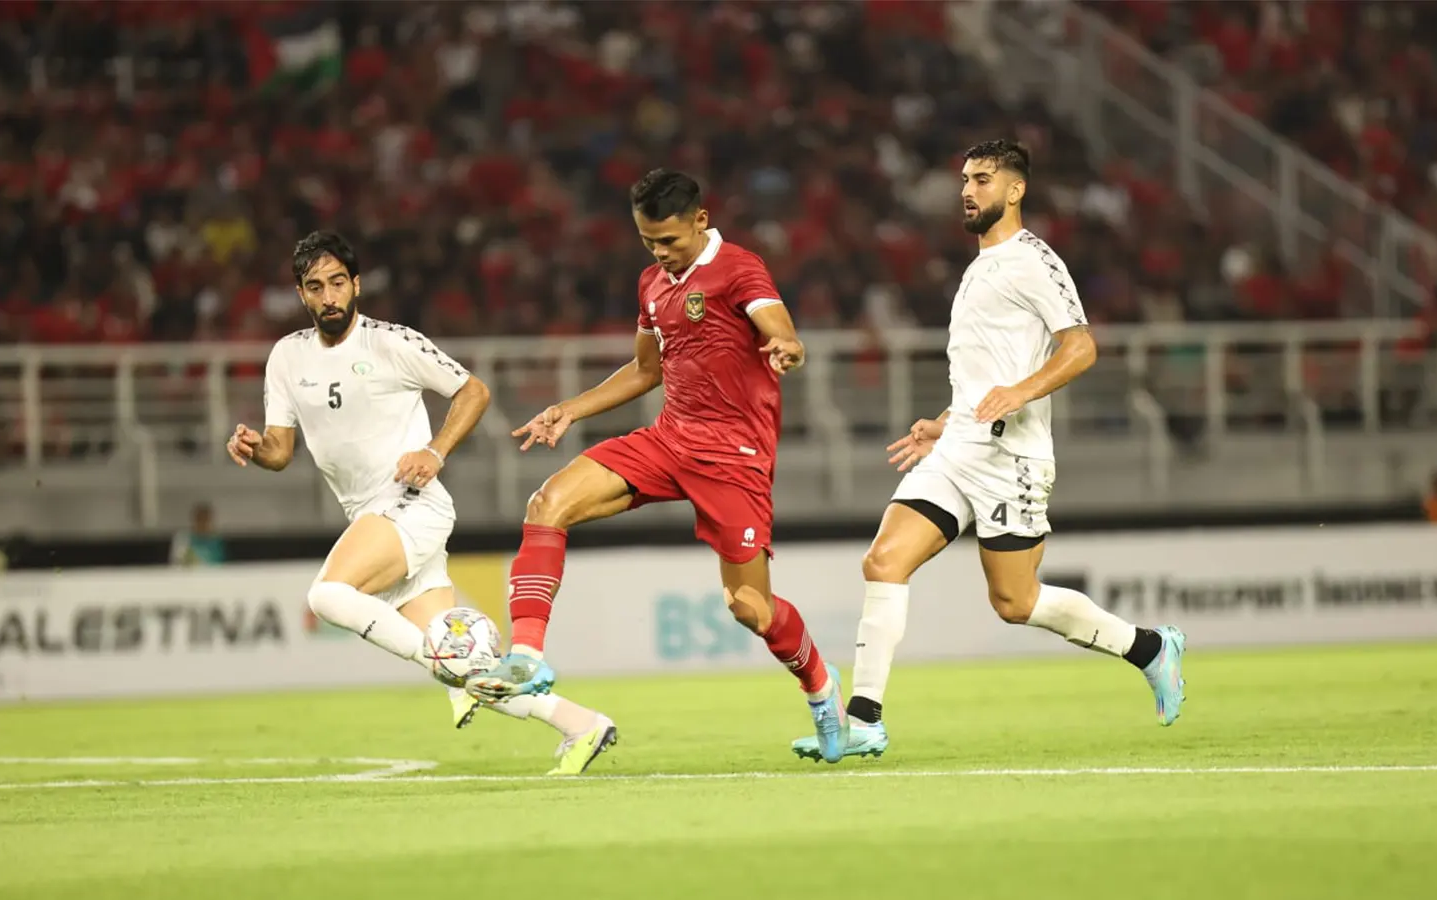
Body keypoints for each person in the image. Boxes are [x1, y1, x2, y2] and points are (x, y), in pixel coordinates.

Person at [792, 141, 1187, 762]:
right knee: (884, 561)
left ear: (1015, 189)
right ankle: (864, 721)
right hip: (959, 449)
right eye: (965, 181)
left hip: (1013, 459)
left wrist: (1021, 392)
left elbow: (1081, 347)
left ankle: (1150, 648)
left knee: (1015, 602)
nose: (968, 191)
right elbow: (987, 375)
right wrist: (944, 422)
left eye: (982, 179)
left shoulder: (1034, 260)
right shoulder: (979, 267)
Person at [464, 170, 851, 762]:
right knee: (547, 503)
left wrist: (787, 348)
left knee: (749, 608)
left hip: (734, 456)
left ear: (701, 220)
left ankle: (822, 691)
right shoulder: (652, 283)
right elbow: (646, 370)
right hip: (669, 439)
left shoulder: (739, 268)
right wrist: (570, 408)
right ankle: (526, 658)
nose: (660, 253)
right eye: (648, 242)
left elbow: (781, 329)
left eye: (669, 240)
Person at [225, 231, 617, 776]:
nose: (329, 296)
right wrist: (255, 447)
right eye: (315, 287)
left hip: (411, 502)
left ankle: (443, 664)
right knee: (470, 672)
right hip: (371, 516)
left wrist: (435, 451)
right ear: (301, 294)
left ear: (356, 284)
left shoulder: (392, 342)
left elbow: (474, 391)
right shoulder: (287, 356)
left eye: (337, 283)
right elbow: (280, 451)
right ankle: (581, 724)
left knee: (328, 596)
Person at [170, 502, 226, 567]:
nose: (203, 523)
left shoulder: (216, 541)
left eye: (206, 520)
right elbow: (177, 562)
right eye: (200, 519)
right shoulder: (183, 539)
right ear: (195, 520)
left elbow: (221, 564)